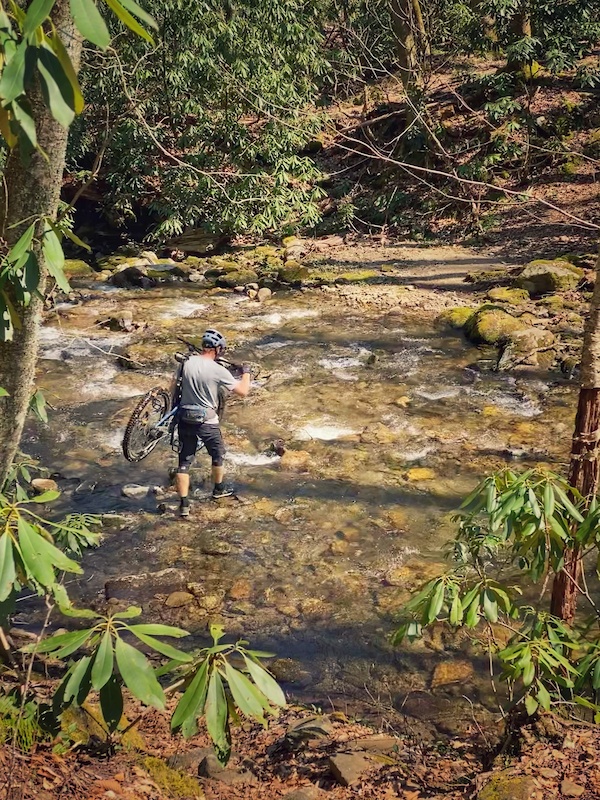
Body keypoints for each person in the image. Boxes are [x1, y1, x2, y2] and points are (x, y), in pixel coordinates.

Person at [171, 328, 251, 517]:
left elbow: (174, 385)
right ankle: (218, 489)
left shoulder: (186, 363)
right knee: (217, 455)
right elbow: (243, 391)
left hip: (185, 417)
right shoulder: (218, 370)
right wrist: (246, 373)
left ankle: (184, 505)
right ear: (218, 349)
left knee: (184, 462)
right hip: (207, 422)